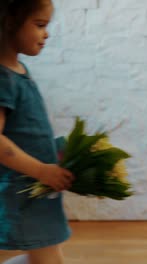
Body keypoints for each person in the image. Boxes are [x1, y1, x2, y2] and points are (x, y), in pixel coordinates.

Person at [0, 0, 74, 263]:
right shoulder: (3, 79)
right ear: (9, 22)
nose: (47, 33)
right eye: (40, 24)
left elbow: (25, 132)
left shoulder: (17, 72)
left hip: (34, 190)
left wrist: (55, 153)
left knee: (46, 254)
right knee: (48, 256)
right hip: (22, 192)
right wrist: (42, 170)